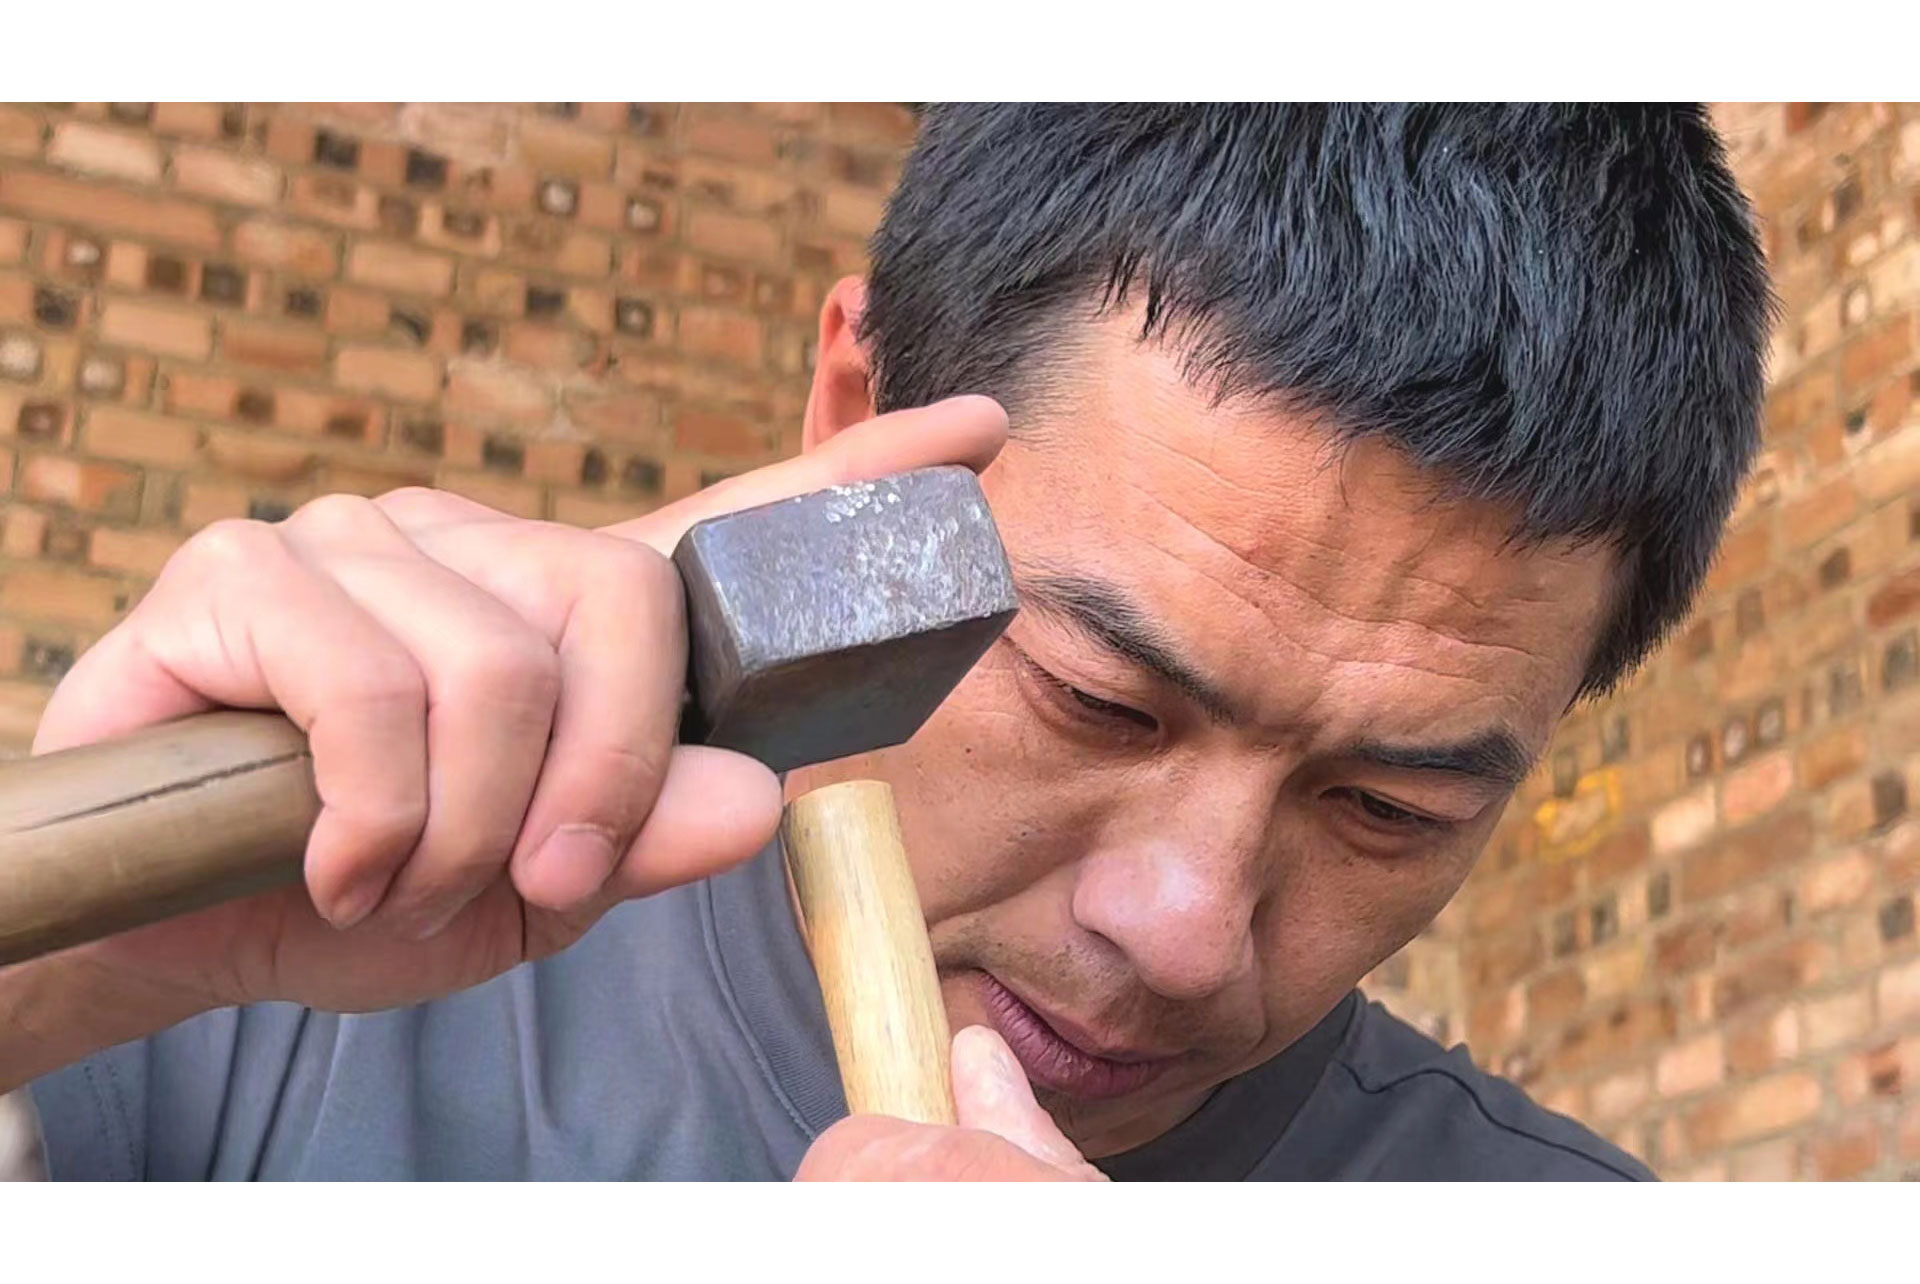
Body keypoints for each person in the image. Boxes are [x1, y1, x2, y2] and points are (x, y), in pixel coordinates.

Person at [4, 103, 1771, 1180]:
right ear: (859, 425)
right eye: (1097, 699)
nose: (1179, 933)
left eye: (1388, 808)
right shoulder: (250, 988)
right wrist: (66, 963)